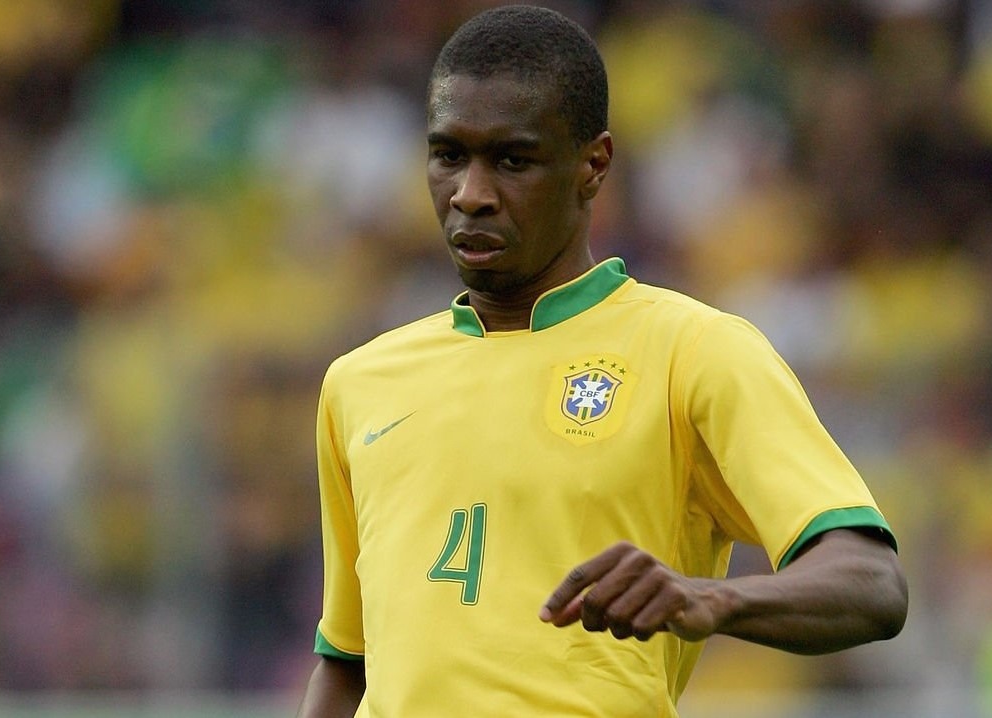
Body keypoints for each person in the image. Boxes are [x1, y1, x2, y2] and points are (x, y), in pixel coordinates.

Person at [295, 5, 907, 717]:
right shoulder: (359, 383)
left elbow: (870, 581)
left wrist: (711, 597)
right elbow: (348, 664)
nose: (470, 194)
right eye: (448, 155)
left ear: (593, 166)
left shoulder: (692, 350)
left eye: (512, 160)